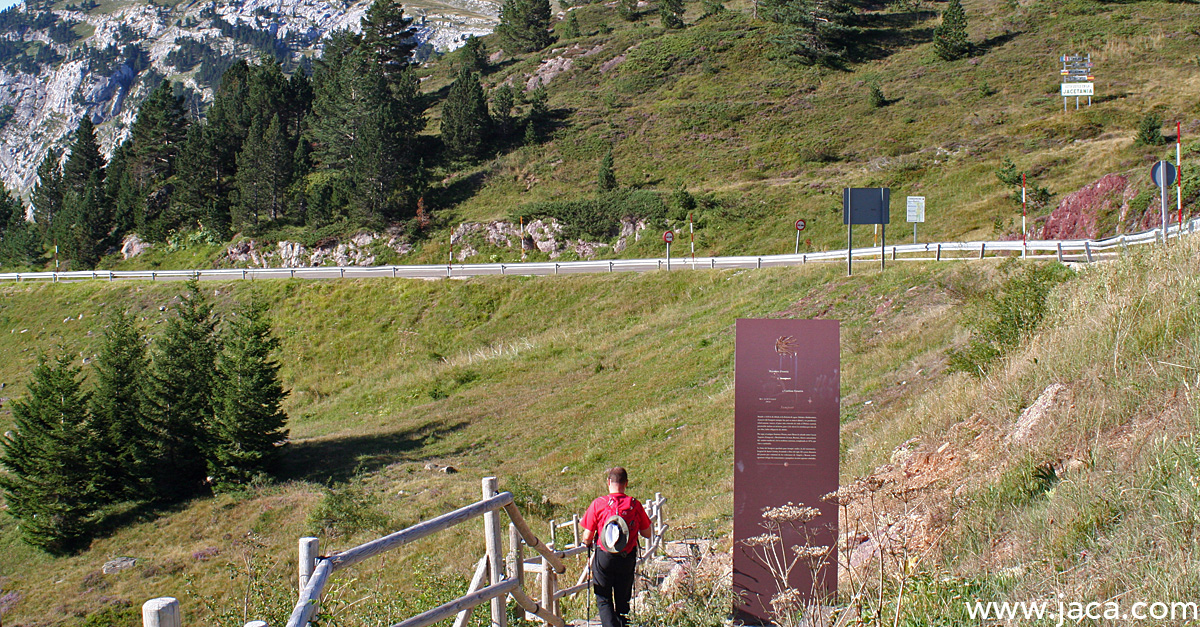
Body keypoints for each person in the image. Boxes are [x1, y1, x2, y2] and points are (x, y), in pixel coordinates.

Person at [580, 467, 652, 627]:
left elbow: (587, 536)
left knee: (604, 599)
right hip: (627, 557)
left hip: (604, 557)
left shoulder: (599, 503)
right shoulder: (634, 504)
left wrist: (587, 543)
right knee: (623, 599)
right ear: (626, 483)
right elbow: (647, 533)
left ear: (608, 482)